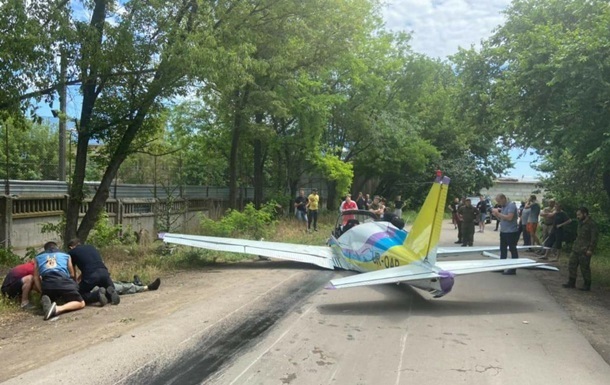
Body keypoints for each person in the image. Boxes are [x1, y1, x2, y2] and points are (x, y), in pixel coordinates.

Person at [33, 241, 87, 320]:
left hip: (47, 283)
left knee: (50, 292)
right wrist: (74, 285)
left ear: (45, 249)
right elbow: (72, 274)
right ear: (56, 247)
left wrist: (41, 290)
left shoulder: (37, 257)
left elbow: (36, 277)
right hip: (64, 281)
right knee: (81, 303)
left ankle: (46, 297)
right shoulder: (66, 255)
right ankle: (58, 308)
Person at [67, 238, 120, 306]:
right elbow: (91, 265)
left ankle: (97, 295)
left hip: (91, 276)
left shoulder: (72, 252)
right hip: (104, 272)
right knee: (109, 288)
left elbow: (72, 270)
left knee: (78, 295)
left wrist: (75, 282)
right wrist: (79, 278)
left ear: (71, 247)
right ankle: (109, 292)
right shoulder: (91, 247)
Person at [562, 207, 598, 291]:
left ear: (585, 214)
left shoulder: (591, 224)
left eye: (579, 215)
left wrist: (590, 249)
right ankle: (571, 282)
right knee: (572, 264)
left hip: (585, 249)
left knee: (584, 268)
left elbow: (594, 238)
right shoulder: (580, 223)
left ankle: (587, 284)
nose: (578, 216)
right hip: (576, 248)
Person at [492, 194, 520, 275]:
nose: (499, 203)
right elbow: (502, 219)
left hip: (511, 232)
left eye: (499, 201)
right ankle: (501, 267)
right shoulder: (503, 207)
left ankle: (513, 269)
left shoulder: (511, 205)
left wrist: (498, 213)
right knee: (503, 250)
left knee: (512, 250)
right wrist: (496, 215)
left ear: (504, 198)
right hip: (504, 231)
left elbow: (509, 218)